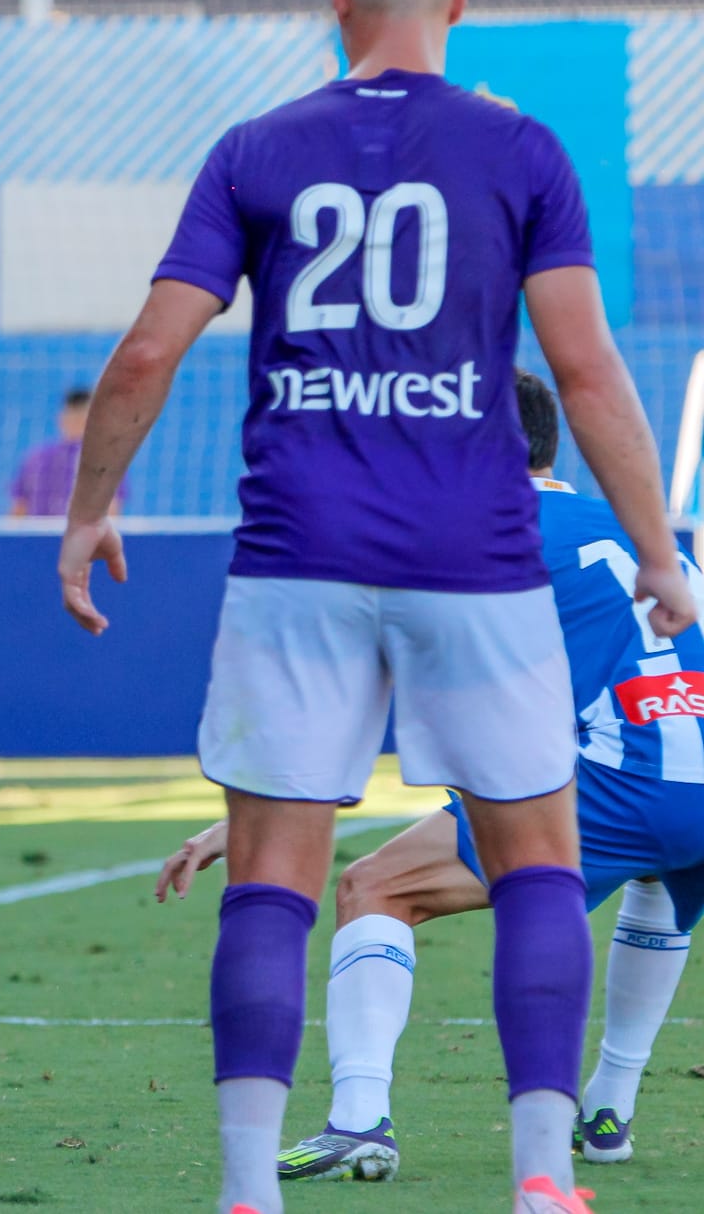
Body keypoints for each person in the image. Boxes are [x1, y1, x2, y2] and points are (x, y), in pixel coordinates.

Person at [56, 0, 694, 1214]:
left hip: (300, 554)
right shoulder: (520, 151)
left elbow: (147, 354)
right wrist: (660, 548)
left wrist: (88, 508)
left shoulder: (256, 147)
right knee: (541, 863)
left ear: (334, 0)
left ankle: (248, 1188)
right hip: (474, 555)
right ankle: (538, 1177)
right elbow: (583, 371)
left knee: (281, 878)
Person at [156, 371, 704, 1182]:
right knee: (661, 881)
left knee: (376, 888)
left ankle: (358, 1119)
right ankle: (610, 1108)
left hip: (622, 775)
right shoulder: (640, 530)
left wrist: (248, 823)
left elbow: (355, 692)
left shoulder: (480, 538)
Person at [8, 387, 121, 518]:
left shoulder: (35, 457)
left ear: (62, 418)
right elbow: (111, 512)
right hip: (79, 536)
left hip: (40, 536)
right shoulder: (105, 460)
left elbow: (17, 512)